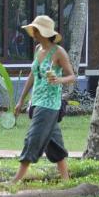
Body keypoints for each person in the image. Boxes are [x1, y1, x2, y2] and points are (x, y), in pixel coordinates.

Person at [9, 14, 76, 183]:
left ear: (44, 32)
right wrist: (21, 100)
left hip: (50, 105)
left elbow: (72, 76)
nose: (33, 34)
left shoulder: (59, 52)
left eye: (36, 30)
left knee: (33, 138)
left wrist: (59, 80)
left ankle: (15, 181)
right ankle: (67, 182)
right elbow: (32, 75)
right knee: (54, 144)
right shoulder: (38, 49)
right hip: (36, 101)